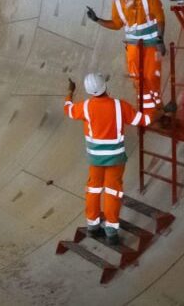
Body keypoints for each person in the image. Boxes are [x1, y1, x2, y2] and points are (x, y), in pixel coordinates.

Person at [64, 73, 154, 245]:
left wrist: (70, 92)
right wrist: (152, 104)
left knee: (94, 189)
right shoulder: (120, 107)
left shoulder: (85, 107)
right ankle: (111, 232)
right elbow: (145, 120)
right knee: (113, 192)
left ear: (90, 92)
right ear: (105, 86)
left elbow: (68, 109)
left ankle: (92, 226)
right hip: (115, 159)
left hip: (95, 160)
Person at [85, 0, 169, 115]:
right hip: (133, 48)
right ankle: (147, 111)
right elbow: (117, 25)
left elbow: (160, 18)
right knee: (137, 80)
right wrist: (97, 19)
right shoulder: (117, 3)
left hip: (152, 46)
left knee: (151, 77)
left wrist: (160, 39)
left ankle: (156, 110)